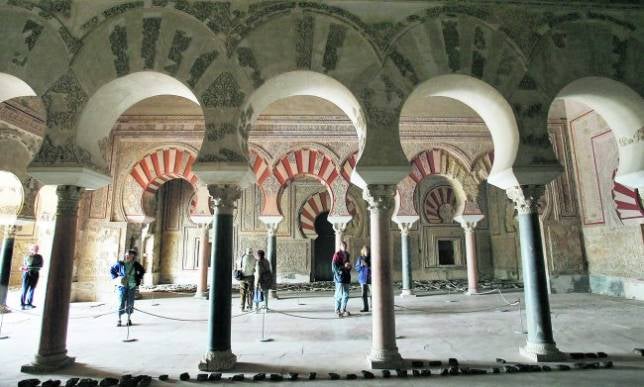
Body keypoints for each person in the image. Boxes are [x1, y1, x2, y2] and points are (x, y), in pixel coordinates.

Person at [110, 249, 145, 327]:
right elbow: (112, 270)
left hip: (132, 285)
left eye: (130, 255)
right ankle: (119, 319)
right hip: (121, 286)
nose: (128, 256)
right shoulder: (120, 263)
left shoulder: (135, 264)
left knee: (130, 303)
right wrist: (116, 277)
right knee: (121, 302)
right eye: (127, 254)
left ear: (133, 256)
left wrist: (138, 278)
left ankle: (128, 319)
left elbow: (142, 270)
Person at [332, 241, 352, 317]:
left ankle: (343, 309)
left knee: (346, 294)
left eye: (345, 246)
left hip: (346, 277)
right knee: (339, 295)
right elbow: (334, 268)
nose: (345, 247)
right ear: (340, 246)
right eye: (343, 246)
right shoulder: (337, 255)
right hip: (339, 278)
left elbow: (348, 265)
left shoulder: (347, 254)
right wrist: (344, 267)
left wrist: (349, 266)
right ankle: (337, 310)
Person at [20, 245, 43, 310]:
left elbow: (41, 265)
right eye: (34, 249)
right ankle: (22, 303)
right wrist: (25, 268)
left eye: (37, 249)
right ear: (31, 249)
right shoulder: (27, 256)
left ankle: (29, 303)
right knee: (25, 288)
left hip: (35, 273)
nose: (36, 250)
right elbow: (25, 265)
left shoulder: (39, 257)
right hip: (27, 274)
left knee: (32, 289)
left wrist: (29, 267)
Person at [354, 245, 371, 312]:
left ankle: (374, 306)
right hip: (363, 278)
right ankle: (365, 307)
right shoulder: (360, 258)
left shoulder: (372, 257)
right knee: (364, 294)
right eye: (365, 250)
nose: (367, 252)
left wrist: (368, 266)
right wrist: (361, 265)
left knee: (373, 293)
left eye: (368, 250)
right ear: (363, 251)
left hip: (371, 277)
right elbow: (357, 268)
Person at [238, 247, 255, 311]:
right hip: (250, 277)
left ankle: (242, 307)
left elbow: (239, 265)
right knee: (250, 292)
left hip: (243, 277)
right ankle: (250, 306)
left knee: (243, 292)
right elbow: (255, 267)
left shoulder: (243, 257)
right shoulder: (253, 258)